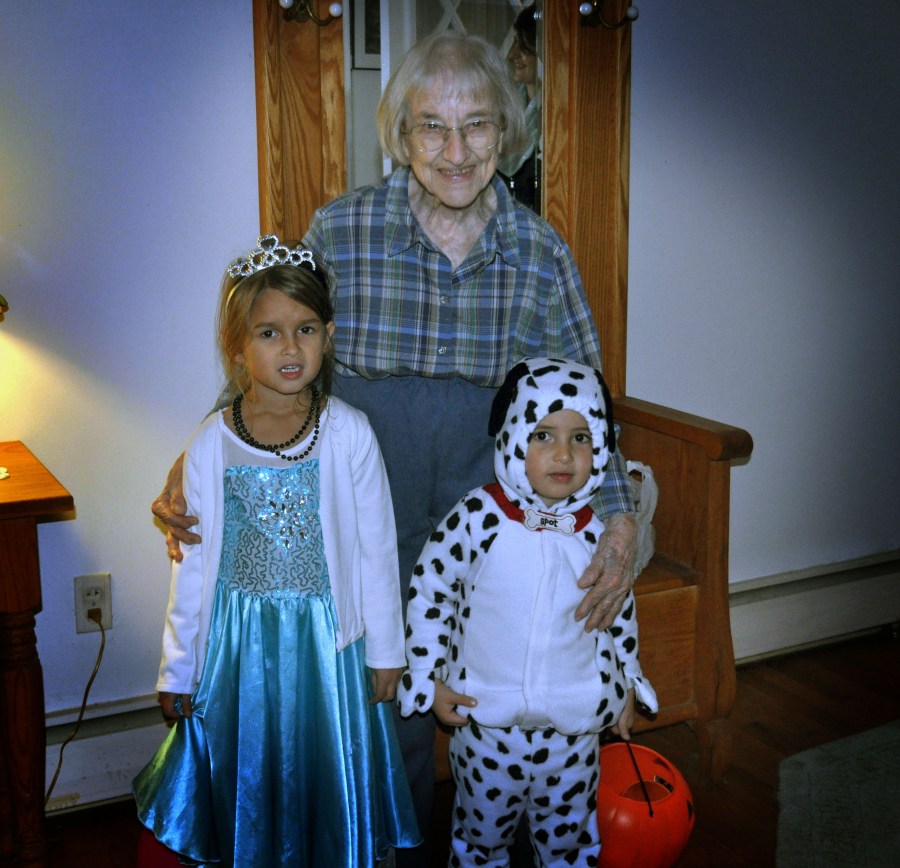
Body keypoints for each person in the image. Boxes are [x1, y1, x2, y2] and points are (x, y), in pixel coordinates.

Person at [152, 32, 639, 866]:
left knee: (498, 687)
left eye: (477, 125)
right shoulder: (342, 231)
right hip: (368, 508)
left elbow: (586, 396)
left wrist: (620, 520)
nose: (456, 151)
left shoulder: (539, 251)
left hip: (491, 519)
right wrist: (202, 455)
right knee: (386, 701)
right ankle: (392, 848)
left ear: (506, 132)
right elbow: (280, 354)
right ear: (400, 134)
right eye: (432, 127)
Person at [134, 236, 420, 866]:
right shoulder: (211, 443)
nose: (290, 348)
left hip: (328, 646)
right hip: (241, 646)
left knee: (323, 767)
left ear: (328, 336)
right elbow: (193, 564)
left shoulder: (349, 433)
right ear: (236, 346)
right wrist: (178, 668)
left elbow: (376, 551)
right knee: (252, 769)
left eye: (305, 330)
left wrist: (386, 653)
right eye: (269, 333)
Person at [399, 357, 658, 867]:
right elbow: (430, 593)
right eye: (543, 436)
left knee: (571, 843)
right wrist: (428, 678)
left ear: (600, 448)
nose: (564, 454)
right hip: (486, 725)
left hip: (574, 729)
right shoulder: (477, 517)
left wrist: (627, 681)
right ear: (513, 437)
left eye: (580, 438)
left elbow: (618, 612)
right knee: (480, 842)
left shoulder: (597, 535)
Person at [499, 4, 542, 211]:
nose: (512, 55)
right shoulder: (505, 105)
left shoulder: (556, 115)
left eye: (523, 46)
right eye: (515, 43)